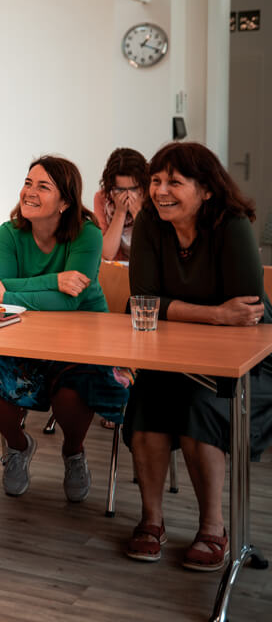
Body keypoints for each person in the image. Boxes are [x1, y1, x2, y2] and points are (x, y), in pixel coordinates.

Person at [123, 142, 271, 571]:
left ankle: (213, 528)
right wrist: (215, 314)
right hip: (174, 353)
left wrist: (189, 312)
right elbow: (141, 302)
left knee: (201, 407)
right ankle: (152, 521)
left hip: (247, 358)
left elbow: (246, 311)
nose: (160, 191)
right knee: (148, 400)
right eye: (155, 180)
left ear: (206, 190)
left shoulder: (231, 225)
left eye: (174, 182)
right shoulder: (150, 222)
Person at [0, 156, 126, 502]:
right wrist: (55, 281)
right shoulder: (8, 233)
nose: (30, 192)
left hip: (82, 338)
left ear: (65, 202)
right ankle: (18, 445)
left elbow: (69, 303)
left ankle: (73, 451)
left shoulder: (88, 234)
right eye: (28, 183)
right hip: (21, 334)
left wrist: (11, 292)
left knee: (72, 393)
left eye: (43, 186)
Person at [92, 147, 148, 262]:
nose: (127, 195)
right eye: (120, 190)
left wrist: (138, 214)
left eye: (133, 189)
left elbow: (155, 250)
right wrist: (120, 212)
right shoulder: (102, 198)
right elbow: (107, 254)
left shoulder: (152, 197)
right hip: (119, 268)